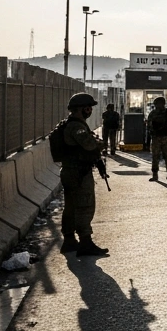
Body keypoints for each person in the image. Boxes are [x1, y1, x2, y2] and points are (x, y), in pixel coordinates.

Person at [57, 93, 108, 256]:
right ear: (81, 109)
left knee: (71, 206)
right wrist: (99, 143)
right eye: (88, 108)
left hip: (71, 171)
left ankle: (69, 240)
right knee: (84, 205)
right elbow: (89, 144)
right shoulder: (76, 126)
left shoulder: (73, 124)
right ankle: (85, 241)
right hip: (78, 173)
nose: (90, 111)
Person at [147, 96, 167, 182]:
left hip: (158, 138)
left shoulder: (153, 113)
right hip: (164, 137)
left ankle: (157, 175)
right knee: (166, 157)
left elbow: (149, 126)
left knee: (157, 156)